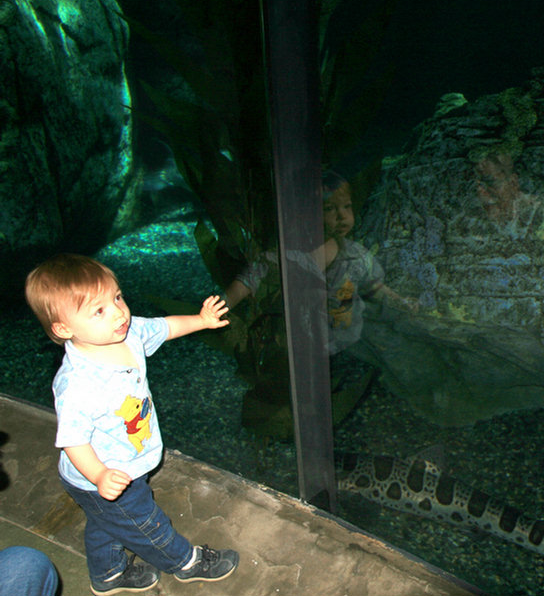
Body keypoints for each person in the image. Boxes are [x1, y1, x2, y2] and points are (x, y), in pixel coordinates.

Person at [24, 254, 239, 595]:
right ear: (64, 329)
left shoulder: (127, 333)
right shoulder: (78, 384)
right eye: (99, 310)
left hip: (125, 461)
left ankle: (108, 574)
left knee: (108, 522)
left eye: (117, 297)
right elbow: (73, 440)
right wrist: (99, 476)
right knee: (146, 523)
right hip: (101, 473)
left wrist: (201, 320)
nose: (118, 312)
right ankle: (185, 563)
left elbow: (165, 327)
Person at [225, 174, 417, 355]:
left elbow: (375, 288)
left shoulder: (357, 256)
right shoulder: (286, 257)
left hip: (349, 349)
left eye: (347, 207)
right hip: (298, 352)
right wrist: (221, 306)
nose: (342, 216)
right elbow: (248, 280)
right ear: (306, 215)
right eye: (330, 209)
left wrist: (403, 303)